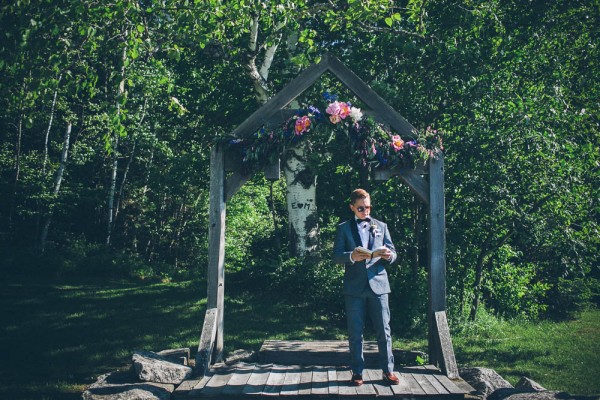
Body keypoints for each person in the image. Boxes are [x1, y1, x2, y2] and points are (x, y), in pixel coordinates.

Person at [332, 188, 400, 386]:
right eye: (361, 208)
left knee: (384, 331)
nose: (365, 212)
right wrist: (352, 256)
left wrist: (389, 255)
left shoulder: (381, 225)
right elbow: (336, 256)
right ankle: (357, 372)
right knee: (355, 332)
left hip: (379, 284)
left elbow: (393, 252)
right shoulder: (343, 228)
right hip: (354, 287)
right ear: (352, 207)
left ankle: (388, 371)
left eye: (368, 207)